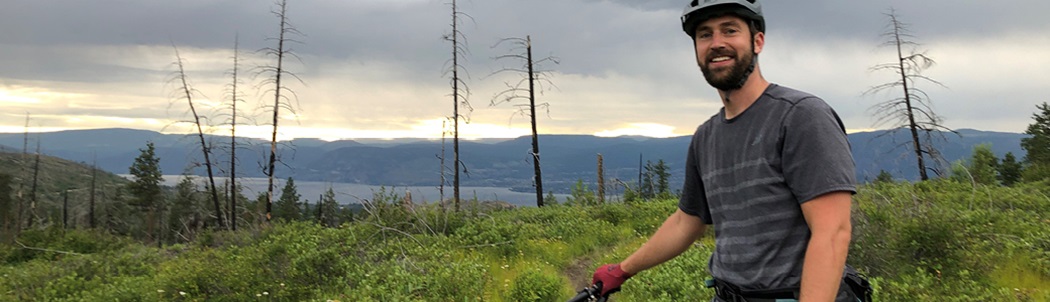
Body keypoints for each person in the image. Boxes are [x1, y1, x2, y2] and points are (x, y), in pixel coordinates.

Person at [590, 0, 861, 301]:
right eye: (705, 35)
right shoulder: (706, 136)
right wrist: (622, 270)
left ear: (757, 41)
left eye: (729, 30)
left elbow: (832, 232)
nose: (716, 43)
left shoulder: (800, 116)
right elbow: (686, 221)